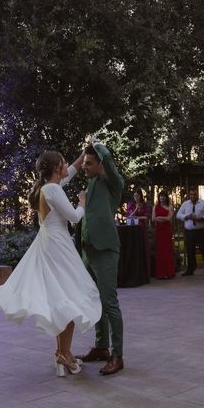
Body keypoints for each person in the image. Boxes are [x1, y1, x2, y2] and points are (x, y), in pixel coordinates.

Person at [0, 151, 102, 377]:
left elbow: (69, 174)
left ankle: (62, 354)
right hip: (58, 247)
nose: (67, 165)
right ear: (56, 167)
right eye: (64, 162)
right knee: (71, 298)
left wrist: (82, 155)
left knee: (61, 300)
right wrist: (82, 202)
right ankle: (64, 354)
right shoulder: (52, 189)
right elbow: (74, 217)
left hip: (50, 244)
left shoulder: (48, 187)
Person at [75, 138, 126, 376]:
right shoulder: (89, 186)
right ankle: (101, 347)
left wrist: (99, 147)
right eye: (84, 163)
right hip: (88, 251)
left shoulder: (112, 183)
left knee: (109, 303)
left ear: (100, 164)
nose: (85, 167)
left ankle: (117, 356)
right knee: (95, 302)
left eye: (89, 163)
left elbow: (111, 165)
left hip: (105, 250)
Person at [176, 187, 204, 276]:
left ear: (197, 194)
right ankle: (190, 269)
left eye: (194, 194)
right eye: (191, 194)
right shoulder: (185, 204)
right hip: (189, 231)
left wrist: (202, 218)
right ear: (189, 195)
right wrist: (187, 217)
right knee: (190, 251)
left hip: (202, 230)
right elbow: (178, 215)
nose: (193, 196)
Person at [152, 190, 175, 279]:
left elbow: (169, 218)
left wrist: (160, 217)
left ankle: (169, 273)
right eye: (161, 196)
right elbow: (153, 219)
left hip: (167, 231)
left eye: (164, 196)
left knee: (167, 251)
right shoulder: (155, 207)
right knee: (160, 252)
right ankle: (161, 273)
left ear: (166, 197)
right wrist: (162, 218)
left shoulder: (170, 207)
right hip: (159, 231)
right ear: (159, 197)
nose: (162, 198)